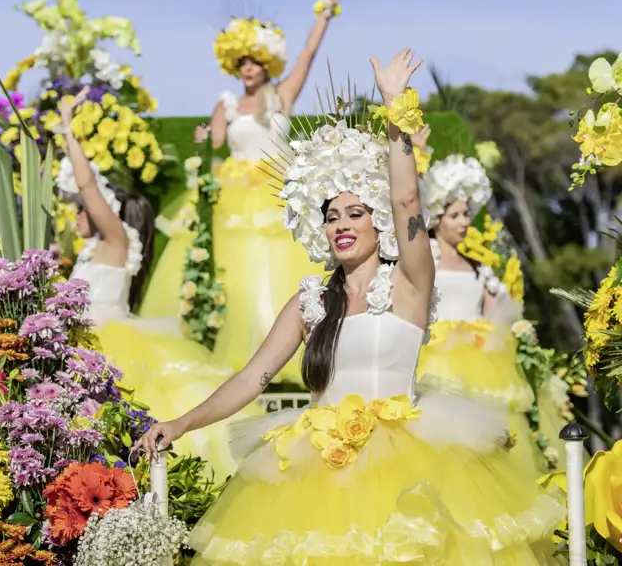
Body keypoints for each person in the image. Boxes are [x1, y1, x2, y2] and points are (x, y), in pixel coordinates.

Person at [135, 50, 564, 565]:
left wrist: (395, 108)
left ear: (376, 219)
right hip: (315, 473)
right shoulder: (309, 301)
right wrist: (181, 423)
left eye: (355, 212)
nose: (341, 223)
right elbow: (252, 379)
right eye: (332, 214)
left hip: (409, 467)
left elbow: (408, 201)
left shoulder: (409, 280)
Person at [140, 0, 344, 385]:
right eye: (242, 63)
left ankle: (287, 347)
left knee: (274, 262)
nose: (247, 69)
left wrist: (325, 8)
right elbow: (215, 140)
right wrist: (204, 134)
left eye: (254, 62)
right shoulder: (227, 101)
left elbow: (308, 52)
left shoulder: (283, 94)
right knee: (235, 267)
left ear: (267, 62)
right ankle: (240, 351)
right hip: (234, 189)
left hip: (274, 187)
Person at [59, 91, 261, 479]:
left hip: (111, 344)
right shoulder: (88, 252)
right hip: (82, 344)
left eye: (83, 209)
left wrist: (69, 130)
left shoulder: (117, 241)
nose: (76, 215)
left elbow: (88, 187)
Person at [416, 149, 551, 476]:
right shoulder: (424, 263)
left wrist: (515, 330)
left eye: (466, 214)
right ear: (437, 218)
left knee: (485, 440)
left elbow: (499, 316)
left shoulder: (479, 269)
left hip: (481, 362)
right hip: (436, 359)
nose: (464, 222)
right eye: (455, 215)